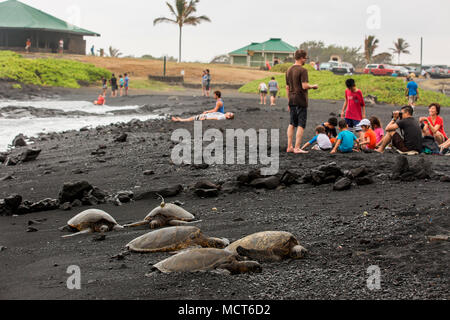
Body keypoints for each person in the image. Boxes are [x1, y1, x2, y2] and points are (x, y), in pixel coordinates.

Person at [286, 49, 319, 154]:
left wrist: (289, 101)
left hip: (291, 99)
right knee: (301, 124)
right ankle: (297, 148)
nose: (306, 60)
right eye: (305, 58)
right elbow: (304, 86)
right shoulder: (303, 70)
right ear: (301, 58)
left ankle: (289, 146)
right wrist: (313, 86)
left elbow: (287, 87)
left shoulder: (288, 70)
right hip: (300, 99)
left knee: (292, 123)